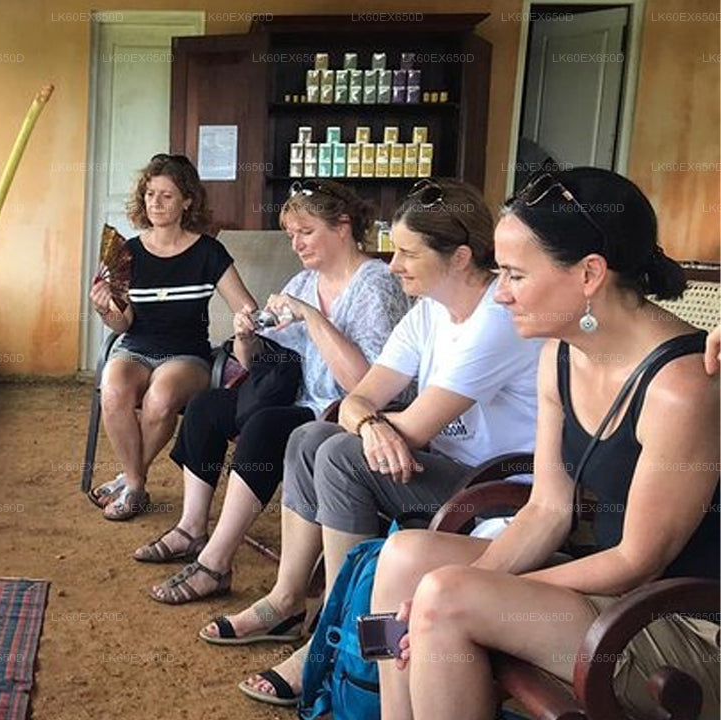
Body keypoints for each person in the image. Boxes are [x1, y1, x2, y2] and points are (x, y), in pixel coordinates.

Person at [370, 168, 720, 720]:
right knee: (405, 556)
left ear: (589, 273)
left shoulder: (682, 386)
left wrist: (476, 588)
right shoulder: (561, 354)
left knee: (446, 597)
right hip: (609, 591)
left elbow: (637, 560)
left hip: (683, 623)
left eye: (514, 274)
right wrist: (474, 583)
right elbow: (548, 509)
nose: (500, 294)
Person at [233, 179, 544, 705]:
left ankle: (331, 633)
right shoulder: (431, 311)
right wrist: (369, 423)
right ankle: (289, 600)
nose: (394, 265)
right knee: (310, 436)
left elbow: (415, 427)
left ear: (459, 257)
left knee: (339, 455)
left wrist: (370, 423)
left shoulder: (496, 317)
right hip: (441, 468)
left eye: (407, 253)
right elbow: (359, 398)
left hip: (498, 491)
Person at [141, 180, 409, 607]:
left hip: (342, 411)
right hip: (293, 395)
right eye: (291, 235)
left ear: (342, 227)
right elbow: (258, 364)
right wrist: (246, 337)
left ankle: (215, 564)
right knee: (207, 407)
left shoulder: (375, 285)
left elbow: (365, 384)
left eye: (306, 232)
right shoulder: (303, 281)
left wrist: (311, 317)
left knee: (266, 426)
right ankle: (192, 528)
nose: (296, 244)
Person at [88, 153, 257, 520]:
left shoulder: (208, 252)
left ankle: (130, 482)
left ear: (187, 201)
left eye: (167, 195)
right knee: (113, 390)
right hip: (135, 349)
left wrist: (246, 320)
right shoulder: (127, 252)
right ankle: (135, 482)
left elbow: (245, 305)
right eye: (150, 194)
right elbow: (123, 324)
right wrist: (104, 309)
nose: (156, 203)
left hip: (187, 356)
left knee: (160, 398)